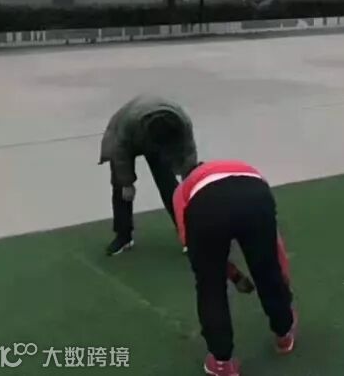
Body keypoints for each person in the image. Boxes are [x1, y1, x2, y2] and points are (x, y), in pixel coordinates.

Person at [173, 159, 297, 376]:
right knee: (267, 269)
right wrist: (283, 282)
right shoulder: (242, 169)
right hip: (255, 196)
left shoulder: (182, 191)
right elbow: (275, 248)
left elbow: (196, 251)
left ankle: (221, 362)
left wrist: (233, 275)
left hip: (207, 209)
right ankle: (284, 333)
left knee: (210, 286)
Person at [99, 95, 198, 256]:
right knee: (121, 188)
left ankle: (187, 232)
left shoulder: (182, 123)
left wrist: (190, 181)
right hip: (127, 137)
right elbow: (120, 154)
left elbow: (188, 153)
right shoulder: (128, 125)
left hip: (157, 135)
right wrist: (127, 183)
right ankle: (123, 236)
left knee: (168, 184)